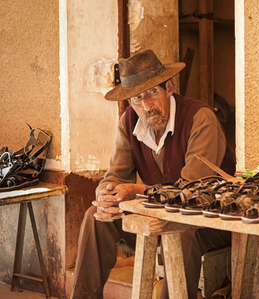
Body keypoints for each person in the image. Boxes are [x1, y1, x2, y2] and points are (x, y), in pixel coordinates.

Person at [70, 49, 235, 299]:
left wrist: (135, 191)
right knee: (96, 216)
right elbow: (116, 175)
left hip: (209, 219)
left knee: (181, 232)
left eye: (152, 93)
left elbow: (191, 192)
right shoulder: (128, 122)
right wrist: (107, 195)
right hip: (160, 213)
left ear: (169, 87)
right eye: (137, 98)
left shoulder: (200, 119)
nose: (147, 106)